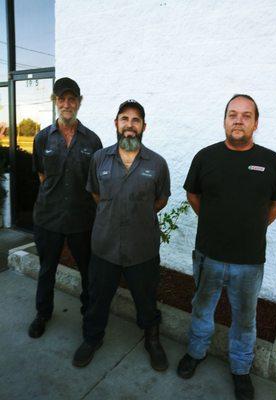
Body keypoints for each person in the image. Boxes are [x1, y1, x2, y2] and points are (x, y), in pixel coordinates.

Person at [177, 94, 276, 400]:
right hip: (208, 255)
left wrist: (255, 226)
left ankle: (241, 369)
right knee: (202, 309)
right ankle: (196, 352)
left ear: (256, 122)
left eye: (245, 115)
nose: (238, 120)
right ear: (224, 119)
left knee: (244, 318)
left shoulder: (272, 162)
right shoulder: (205, 157)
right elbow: (194, 195)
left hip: (249, 261)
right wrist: (215, 222)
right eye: (232, 114)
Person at [72, 99, 171, 372]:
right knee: (97, 299)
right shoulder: (99, 159)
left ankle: (152, 340)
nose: (130, 125)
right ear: (116, 123)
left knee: (147, 301)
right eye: (124, 119)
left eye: (135, 120)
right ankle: (92, 338)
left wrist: (136, 212)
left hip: (142, 248)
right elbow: (96, 194)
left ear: (144, 127)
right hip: (105, 245)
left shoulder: (158, 164)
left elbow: (160, 200)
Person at [28, 77, 102, 338]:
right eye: (62, 99)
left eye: (72, 99)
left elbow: (96, 183)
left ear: (79, 103)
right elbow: (41, 176)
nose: (67, 104)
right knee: (47, 269)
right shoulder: (42, 138)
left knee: (88, 272)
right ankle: (42, 313)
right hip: (48, 218)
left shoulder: (92, 141)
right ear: (55, 102)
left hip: (82, 220)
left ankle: (88, 314)